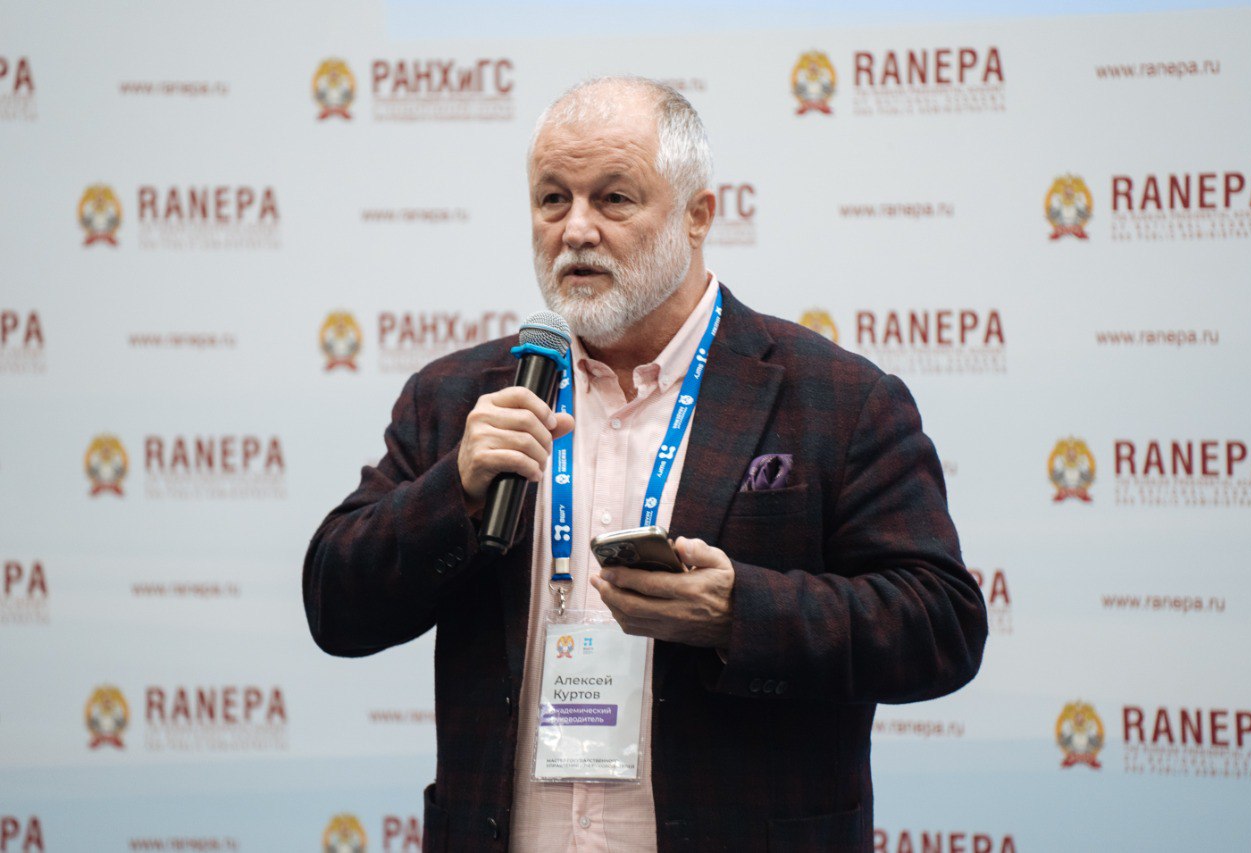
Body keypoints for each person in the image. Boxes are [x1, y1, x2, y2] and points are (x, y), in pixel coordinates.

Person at [303, 76, 986, 853]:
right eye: (552, 199)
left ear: (698, 215)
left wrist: (738, 613)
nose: (576, 229)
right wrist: (451, 493)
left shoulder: (835, 397)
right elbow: (334, 604)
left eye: (614, 199)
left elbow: (941, 624)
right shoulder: (462, 397)